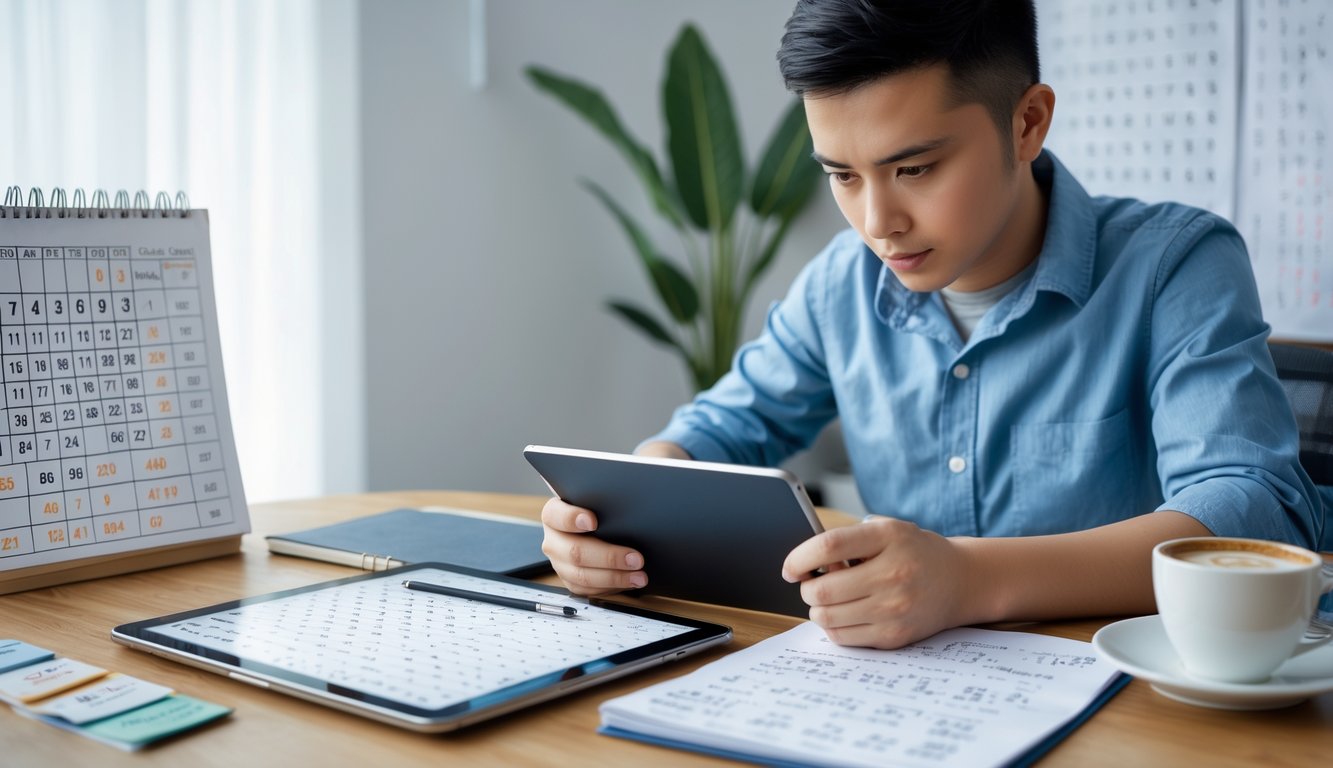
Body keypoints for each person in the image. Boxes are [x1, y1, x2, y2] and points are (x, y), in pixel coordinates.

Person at [540, 0, 1321, 649]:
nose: (877, 222)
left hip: (1132, 698)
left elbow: (1253, 509)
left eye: (913, 169)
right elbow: (719, 430)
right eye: (841, 175)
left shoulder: (1174, 266)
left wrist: (968, 579)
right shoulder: (840, 286)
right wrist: (619, 515)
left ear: (1026, 123)